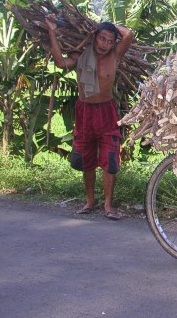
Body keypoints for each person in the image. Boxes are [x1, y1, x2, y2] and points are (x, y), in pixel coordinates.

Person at [45, 15, 134, 221]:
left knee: (110, 159)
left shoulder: (115, 56)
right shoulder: (80, 56)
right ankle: (90, 201)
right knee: (87, 159)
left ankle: (108, 205)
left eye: (110, 40)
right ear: (94, 38)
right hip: (85, 111)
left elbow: (128, 34)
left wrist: (104, 26)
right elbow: (59, 62)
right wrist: (51, 31)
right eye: (102, 38)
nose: (106, 44)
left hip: (107, 111)